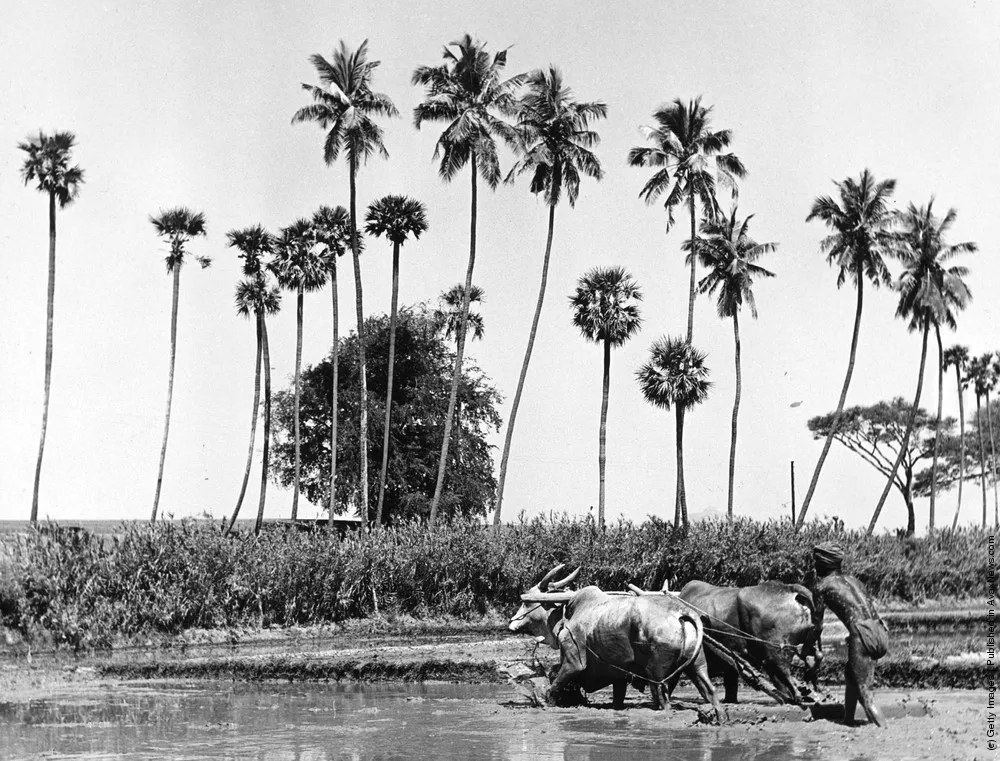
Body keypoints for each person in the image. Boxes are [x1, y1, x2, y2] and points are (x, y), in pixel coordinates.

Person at [809, 542, 888, 727]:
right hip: (880, 629)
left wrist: (807, 648)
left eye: (815, 562)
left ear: (822, 563)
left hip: (861, 634)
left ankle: (883, 734)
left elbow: (817, 626)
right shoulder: (854, 580)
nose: (814, 566)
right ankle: (848, 721)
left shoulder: (821, 586)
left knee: (866, 696)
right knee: (851, 674)